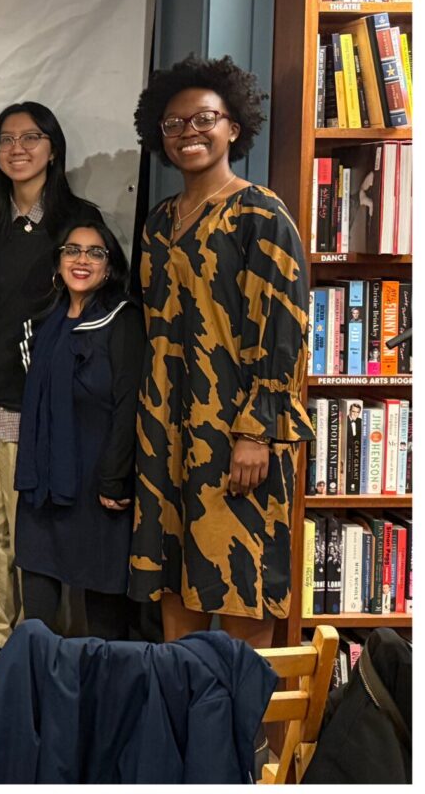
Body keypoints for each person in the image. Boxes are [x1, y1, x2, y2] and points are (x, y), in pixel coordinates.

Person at [128, 54, 313, 648]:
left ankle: (246, 738)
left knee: (242, 581)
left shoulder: (261, 213)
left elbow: (284, 333)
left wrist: (256, 432)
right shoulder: (159, 223)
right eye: (174, 124)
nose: (189, 133)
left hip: (236, 432)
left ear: (234, 126)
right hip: (166, 429)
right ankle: (183, 729)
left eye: (204, 118)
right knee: (173, 580)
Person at [0, 102, 98, 671]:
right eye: (5, 139)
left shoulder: (78, 222)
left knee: (33, 530)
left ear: (53, 147)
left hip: (39, 401)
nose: (17, 148)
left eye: (30, 137)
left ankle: (39, 635)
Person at [13, 217, 141, 641]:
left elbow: (128, 406)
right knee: (38, 606)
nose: (82, 259)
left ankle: (104, 697)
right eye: (72, 250)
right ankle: (41, 688)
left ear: (109, 266)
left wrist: (115, 477)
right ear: (58, 261)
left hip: (98, 486)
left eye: (95, 252)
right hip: (43, 486)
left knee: (103, 612)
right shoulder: (45, 323)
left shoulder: (122, 320)